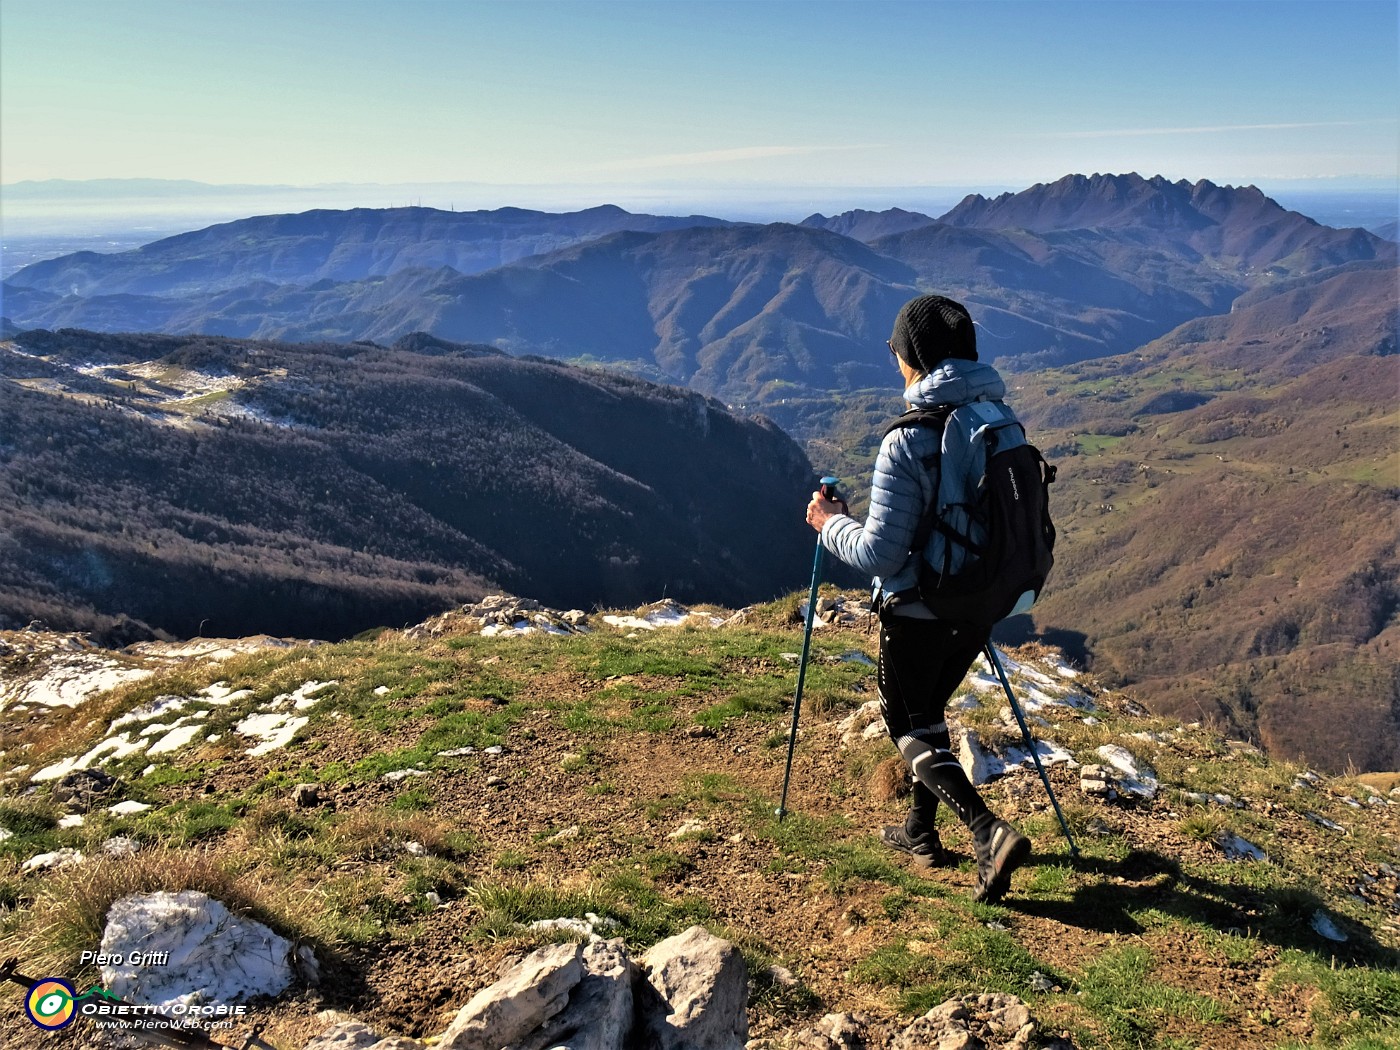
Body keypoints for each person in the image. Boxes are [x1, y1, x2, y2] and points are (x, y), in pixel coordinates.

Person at [804, 293, 1031, 903]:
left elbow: (880, 555)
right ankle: (918, 832)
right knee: (930, 714)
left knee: (906, 724)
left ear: (915, 359)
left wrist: (829, 525)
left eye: (896, 350)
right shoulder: (1000, 420)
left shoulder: (907, 441)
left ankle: (988, 831)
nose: (895, 360)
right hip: (980, 606)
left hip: (919, 608)